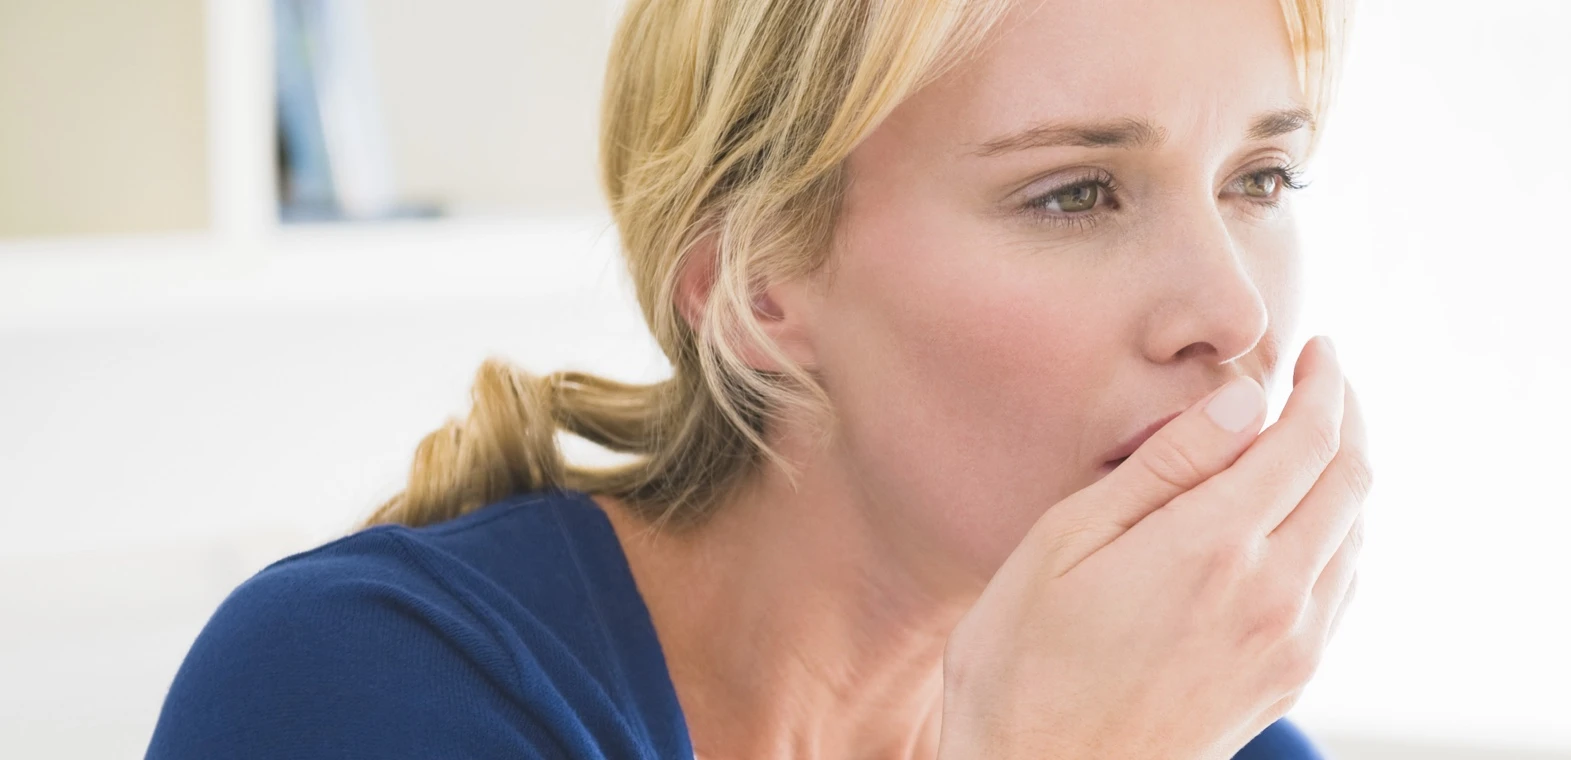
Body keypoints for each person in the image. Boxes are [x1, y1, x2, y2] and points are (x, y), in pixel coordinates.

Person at [145, 0, 1367, 756]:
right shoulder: (354, 687)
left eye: (1258, 179)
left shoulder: (1211, 739)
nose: (1231, 311)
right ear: (756, 287)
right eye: (1073, 194)